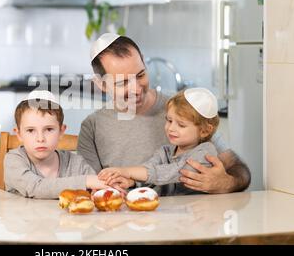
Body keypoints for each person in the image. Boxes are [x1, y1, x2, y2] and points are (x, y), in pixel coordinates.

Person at [78, 33, 251, 194]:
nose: (136, 89)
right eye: (123, 82)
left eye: (140, 75)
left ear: (144, 63)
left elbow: (239, 169)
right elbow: (88, 187)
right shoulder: (92, 128)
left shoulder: (184, 110)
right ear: (101, 84)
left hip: (195, 219)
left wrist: (227, 183)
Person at [98, 88, 221, 196]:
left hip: (201, 215)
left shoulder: (205, 153)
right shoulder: (165, 151)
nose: (171, 128)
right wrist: (132, 181)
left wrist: (127, 171)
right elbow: (149, 169)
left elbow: (169, 173)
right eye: (169, 120)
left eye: (181, 125)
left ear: (204, 130)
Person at [4, 90, 115, 199]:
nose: (40, 139)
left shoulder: (77, 164)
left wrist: (101, 190)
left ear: (61, 131)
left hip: (65, 218)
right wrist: (86, 181)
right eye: (30, 130)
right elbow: (35, 187)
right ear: (19, 134)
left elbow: (97, 188)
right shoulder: (14, 160)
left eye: (49, 129)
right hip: (22, 217)